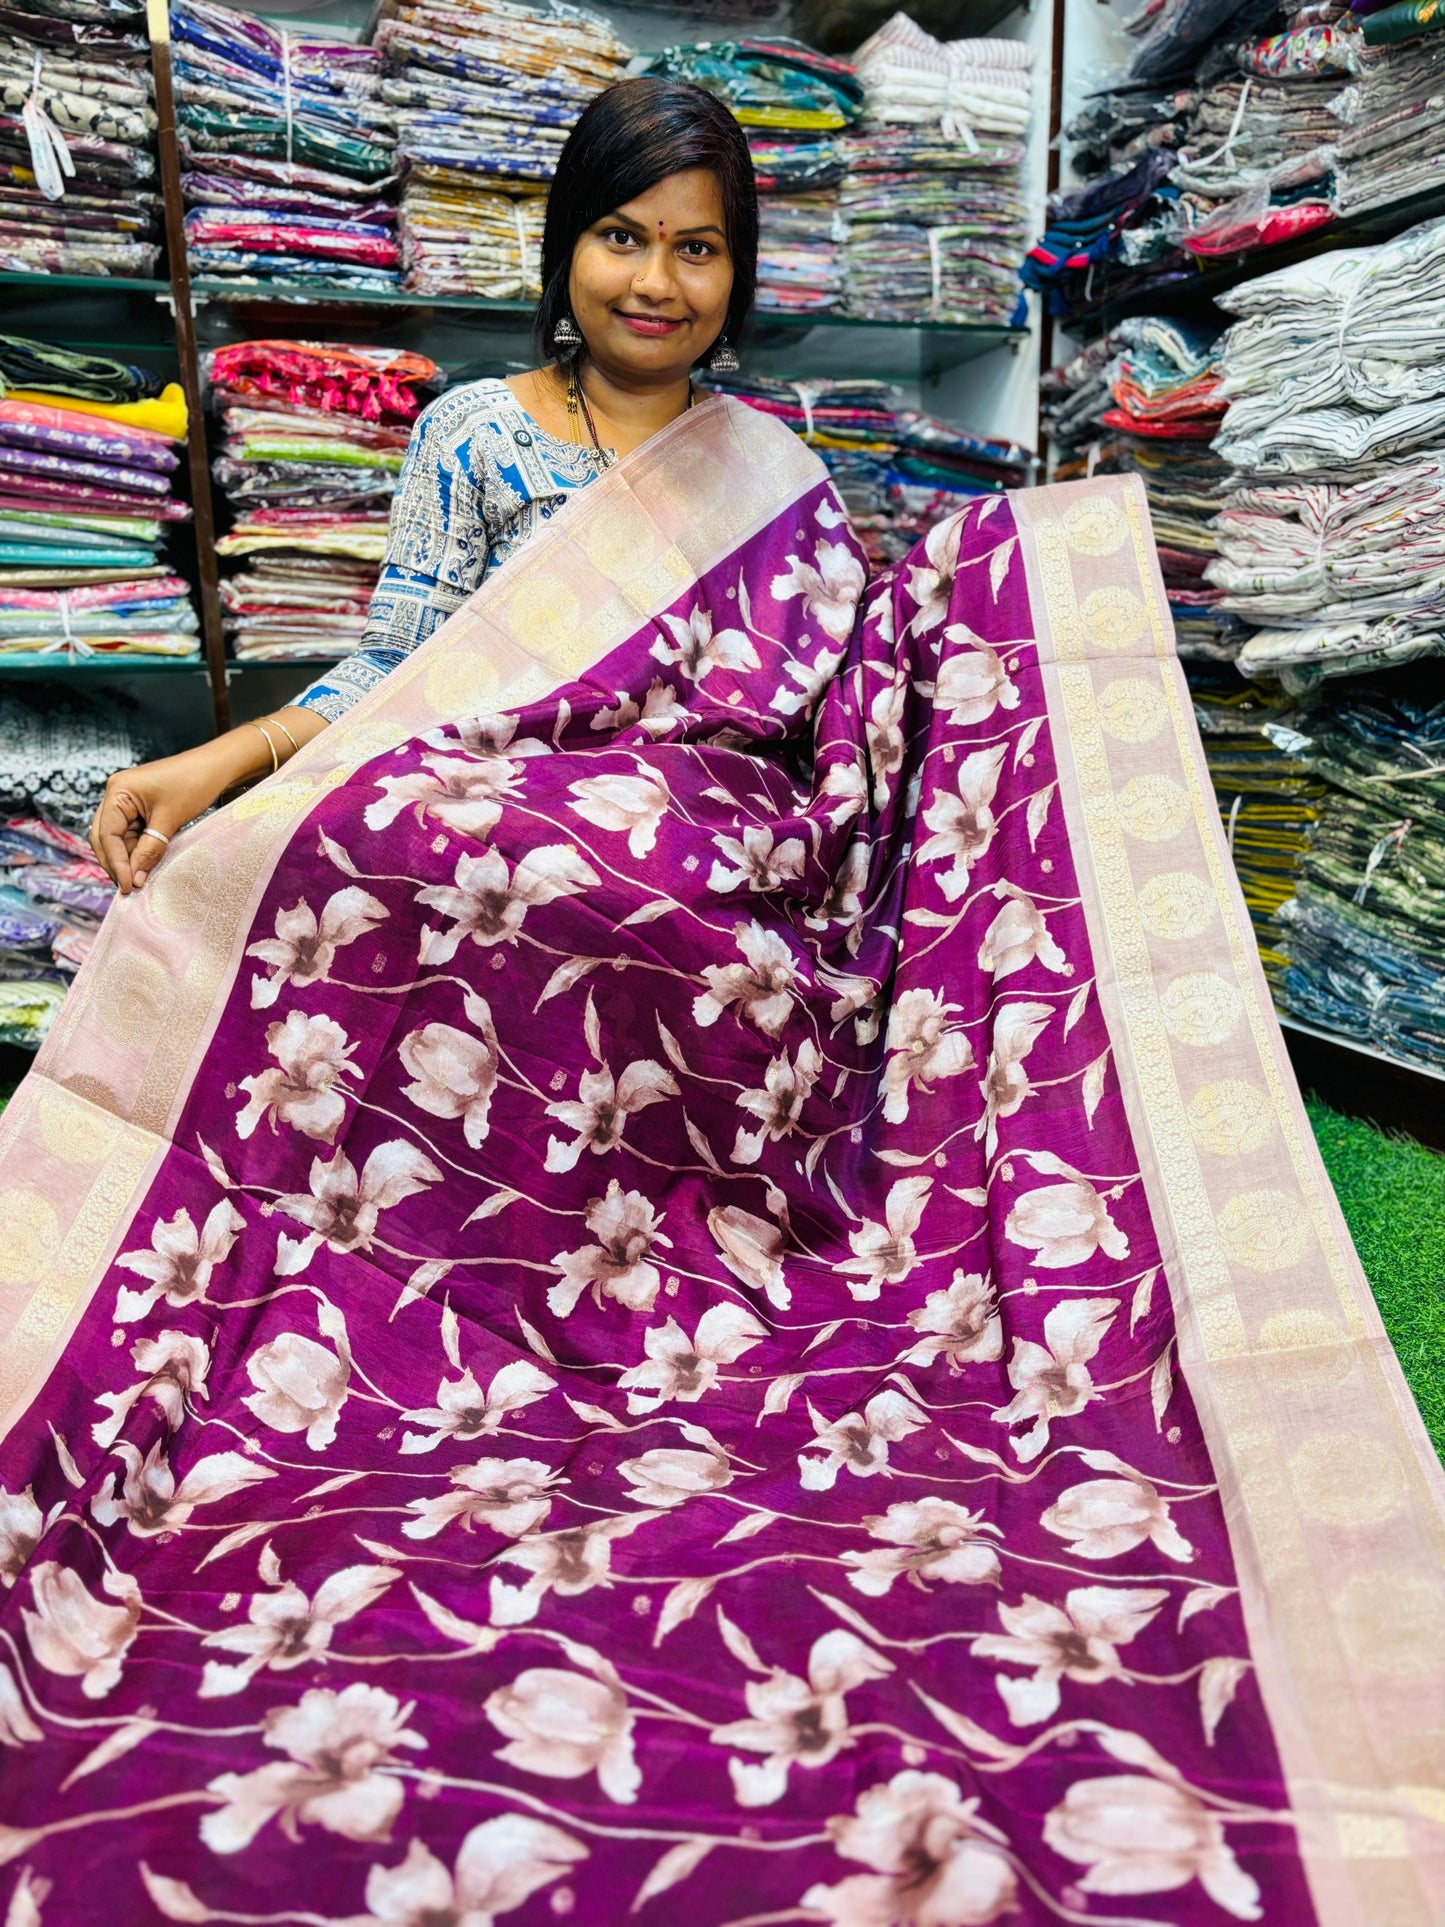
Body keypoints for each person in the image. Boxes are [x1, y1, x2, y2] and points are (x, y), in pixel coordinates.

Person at [89, 75, 758, 896]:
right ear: (566, 246)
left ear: (737, 270)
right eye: (620, 237)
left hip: (719, 867)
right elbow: (397, 668)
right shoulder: (473, 434)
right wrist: (218, 763)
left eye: (697, 248)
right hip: (513, 861)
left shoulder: (768, 467)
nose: (655, 281)